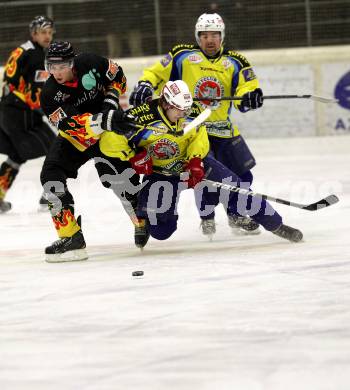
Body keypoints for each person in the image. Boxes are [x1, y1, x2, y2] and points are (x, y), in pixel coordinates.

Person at [129, 12, 263, 238]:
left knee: (243, 175)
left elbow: (246, 89)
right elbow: (154, 73)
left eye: (214, 35)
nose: (209, 40)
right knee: (203, 177)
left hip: (223, 128)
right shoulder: (182, 55)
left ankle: (235, 214)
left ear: (223, 37)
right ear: (197, 36)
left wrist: (250, 96)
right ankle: (207, 217)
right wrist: (144, 84)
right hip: (192, 130)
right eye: (204, 35)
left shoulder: (236, 62)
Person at [125, 79, 302, 247]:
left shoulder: (192, 110)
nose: (183, 114)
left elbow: (199, 137)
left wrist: (195, 160)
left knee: (238, 189)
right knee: (162, 232)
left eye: (186, 109)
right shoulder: (139, 117)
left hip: (192, 165)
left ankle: (277, 225)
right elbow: (114, 141)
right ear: (165, 103)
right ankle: (144, 219)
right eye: (179, 109)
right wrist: (134, 157)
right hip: (160, 173)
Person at [39, 41, 145, 263]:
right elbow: (72, 126)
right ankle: (70, 237)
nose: (57, 72)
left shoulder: (91, 62)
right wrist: (105, 119)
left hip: (108, 134)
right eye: (52, 67)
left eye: (63, 66)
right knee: (50, 175)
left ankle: (141, 218)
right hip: (77, 138)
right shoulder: (49, 94)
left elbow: (117, 76)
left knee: (120, 179)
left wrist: (111, 101)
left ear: (73, 62)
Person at [0, 16, 56, 213]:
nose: (47, 36)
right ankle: (51, 193)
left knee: (16, 155)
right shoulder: (35, 56)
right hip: (19, 112)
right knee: (56, 147)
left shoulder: (25, 50)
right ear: (34, 34)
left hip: (9, 111)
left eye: (50, 32)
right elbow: (32, 90)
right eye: (43, 32)